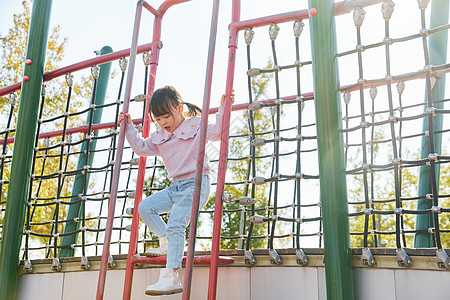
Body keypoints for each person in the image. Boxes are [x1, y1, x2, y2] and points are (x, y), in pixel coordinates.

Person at [118, 86, 234, 296]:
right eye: (158, 119)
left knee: (176, 224)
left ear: (179, 109)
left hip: (196, 184)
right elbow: (141, 148)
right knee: (145, 208)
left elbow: (217, 132)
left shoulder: (195, 125)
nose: (163, 122)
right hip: (176, 187)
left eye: (166, 116)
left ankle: (170, 276)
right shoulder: (160, 136)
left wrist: (224, 107)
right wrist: (128, 128)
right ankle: (166, 241)